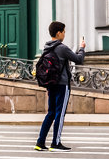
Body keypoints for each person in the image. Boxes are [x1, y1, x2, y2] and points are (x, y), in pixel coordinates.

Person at [35, 21, 85, 151]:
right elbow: (78, 59)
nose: (64, 34)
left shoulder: (46, 47)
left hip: (51, 84)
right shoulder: (62, 48)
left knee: (50, 113)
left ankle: (40, 142)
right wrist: (82, 48)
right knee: (60, 114)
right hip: (62, 84)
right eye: (63, 31)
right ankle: (55, 143)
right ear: (58, 33)